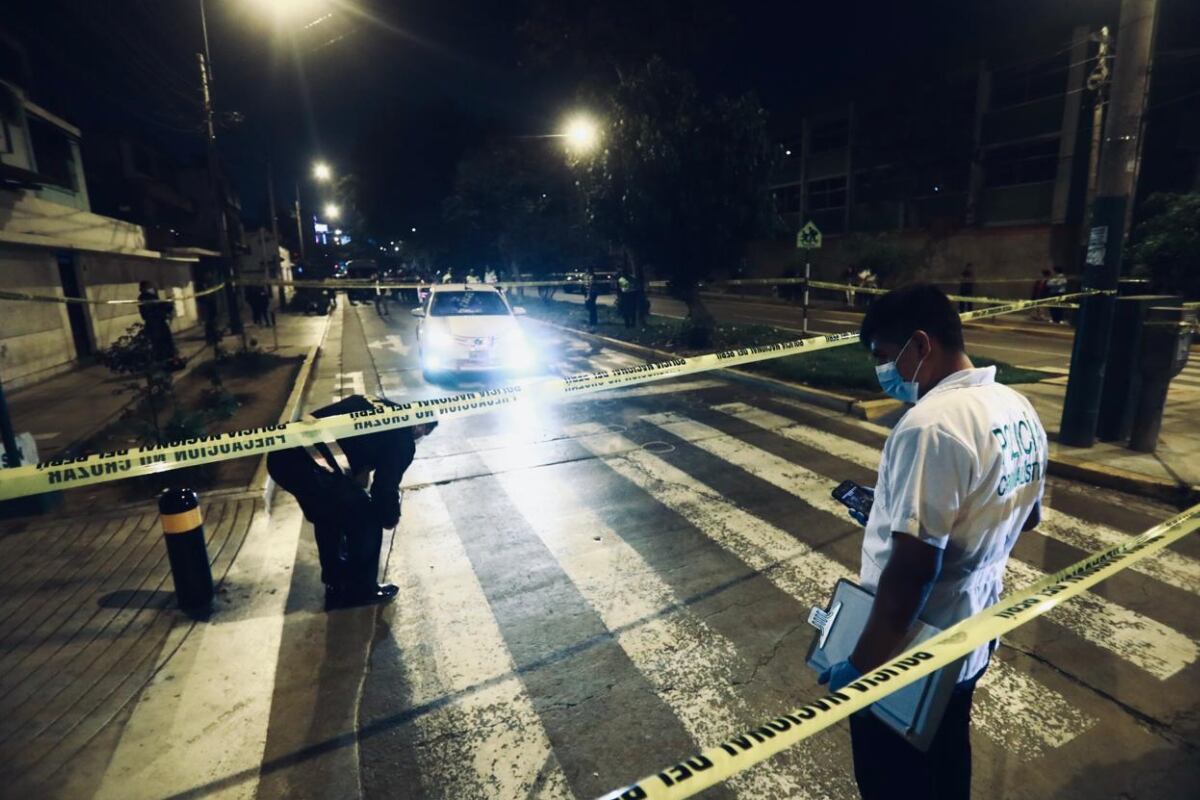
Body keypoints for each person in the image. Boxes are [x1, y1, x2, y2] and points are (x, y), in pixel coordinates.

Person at [820, 284, 1046, 800]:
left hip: (911, 651)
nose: (883, 371)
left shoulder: (930, 425)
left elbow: (913, 570)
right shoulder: (1016, 406)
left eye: (884, 357)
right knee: (946, 764)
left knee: (892, 781)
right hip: (972, 636)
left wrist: (864, 667)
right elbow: (1027, 517)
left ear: (920, 346)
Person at [267, 395, 437, 610]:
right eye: (422, 433)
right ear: (420, 425)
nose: (418, 438)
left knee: (329, 516)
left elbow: (352, 448)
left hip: (282, 456)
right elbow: (384, 488)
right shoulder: (402, 437)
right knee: (367, 518)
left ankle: (336, 583)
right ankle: (361, 589)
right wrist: (389, 516)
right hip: (312, 467)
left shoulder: (376, 403)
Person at [138, 281, 178, 364]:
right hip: (155, 324)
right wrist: (166, 308)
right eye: (150, 286)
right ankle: (164, 363)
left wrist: (168, 305)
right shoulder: (144, 298)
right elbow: (152, 311)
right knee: (160, 344)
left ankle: (169, 361)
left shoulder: (152, 296)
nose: (152, 288)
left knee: (165, 343)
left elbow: (160, 306)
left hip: (159, 323)